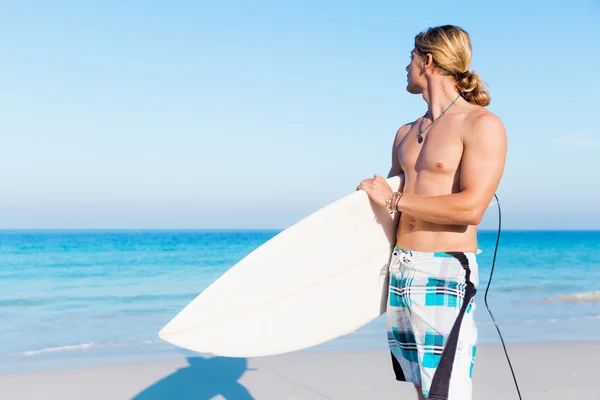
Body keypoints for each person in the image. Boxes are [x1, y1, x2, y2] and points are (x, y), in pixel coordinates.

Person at [357, 25, 507, 400]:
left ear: (428, 61)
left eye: (410, 56)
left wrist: (393, 200)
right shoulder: (405, 133)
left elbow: (471, 208)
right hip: (400, 267)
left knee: (446, 391)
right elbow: (387, 211)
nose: (405, 65)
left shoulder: (481, 125)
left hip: (445, 265)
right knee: (423, 389)